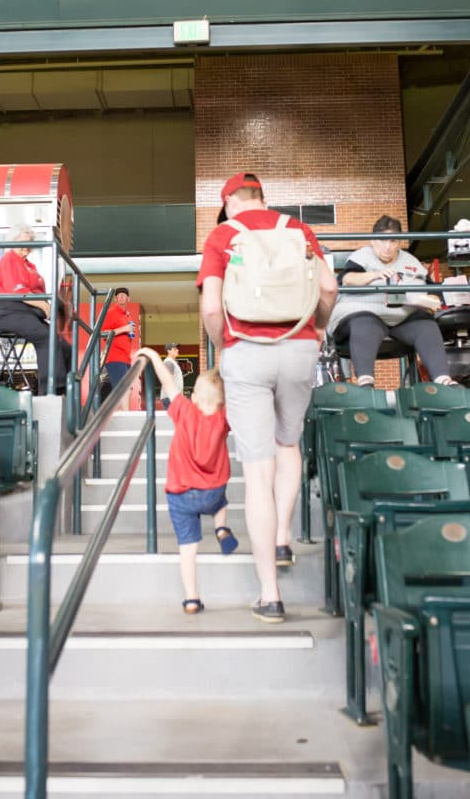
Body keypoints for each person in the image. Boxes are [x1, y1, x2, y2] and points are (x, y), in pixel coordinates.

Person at [198, 172, 338, 624]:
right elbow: (330, 288)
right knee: (288, 444)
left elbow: (212, 308)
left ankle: (270, 595)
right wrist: (314, 330)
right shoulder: (297, 229)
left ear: (228, 203)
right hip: (299, 350)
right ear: (261, 197)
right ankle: (282, 536)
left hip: (247, 353)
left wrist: (225, 347)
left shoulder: (223, 234)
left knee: (257, 473)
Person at [137, 346, 238, 614]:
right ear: (222, 402)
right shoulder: (223, 418)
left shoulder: (183, 410)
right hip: (212, 492)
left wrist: (154, 357)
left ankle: (192, 598)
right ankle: (221, 528)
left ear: (194, 397)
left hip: (180, 495)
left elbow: (168, 381)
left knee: (187, 549)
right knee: (221, 499)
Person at [327, 214, 456, 387]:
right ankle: (366, 382)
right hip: (367, 315)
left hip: (402, 317)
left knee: (426, 324)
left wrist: (429, 301)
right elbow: (347, 279)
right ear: (372, 241)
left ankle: (443, 380)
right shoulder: (361, 257)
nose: (387, 247)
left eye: (393, 241)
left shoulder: (411, 261)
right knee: (364, 323)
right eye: (382, 241)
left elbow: (433, 293)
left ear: (400, 242)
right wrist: (374, 276)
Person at [0, 224, 71, 395]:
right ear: (13, 242)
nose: (26, 245)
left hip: (27, 310)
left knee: (64, 346)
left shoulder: (30, 266)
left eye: (29, 242)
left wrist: (47, 305)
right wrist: (42, 305)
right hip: (7, 311)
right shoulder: (9, 258)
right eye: (23, 241)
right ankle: (51, 390)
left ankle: (67, 388)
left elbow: (39, 291)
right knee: (46, 337)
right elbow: (17, 289)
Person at [101, 287, 135, 411]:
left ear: (128, 298)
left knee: (128, 387)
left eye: (123, 295)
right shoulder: (111, 312)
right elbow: (103, 333)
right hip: (115, 356)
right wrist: (124, 329)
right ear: (116, 299)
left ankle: (120, 413)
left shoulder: (127, 316)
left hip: (126, 358)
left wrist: (128, 330)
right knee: (123, 387)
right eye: (118, 295)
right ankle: (125, 414)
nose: (121, 297)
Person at [161, 343, 183, 410]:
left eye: (177, 349)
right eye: (174, 349)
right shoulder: (169, 362)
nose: (177, 350)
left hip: (173, 397)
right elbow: (168, 381)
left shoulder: (172, 362)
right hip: (171, 397)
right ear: (169, 351)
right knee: (171, 420)